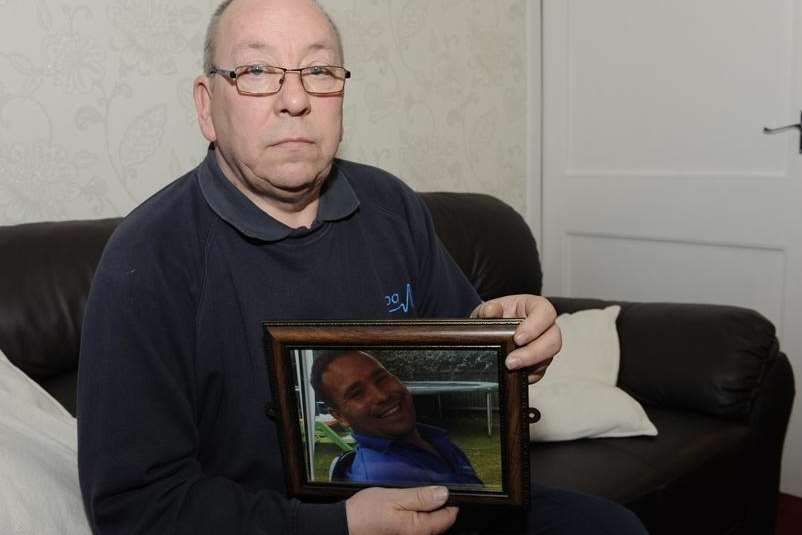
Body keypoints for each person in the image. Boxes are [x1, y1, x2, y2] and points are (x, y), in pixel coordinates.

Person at [76, 0, 648, 534]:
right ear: (207, 105)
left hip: (438, 500)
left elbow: (469, 358)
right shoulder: (147, 259)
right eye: (256, 71)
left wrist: (521, 342)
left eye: (318, 72)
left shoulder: (391, 206)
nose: (294, 99)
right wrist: (339, 526)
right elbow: (136, 509)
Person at [310, 349, 483, 486]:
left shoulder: (430, 436)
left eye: (380, 378)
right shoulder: (383, 482)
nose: (381, 396)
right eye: (357, 393)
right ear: (340, 416)